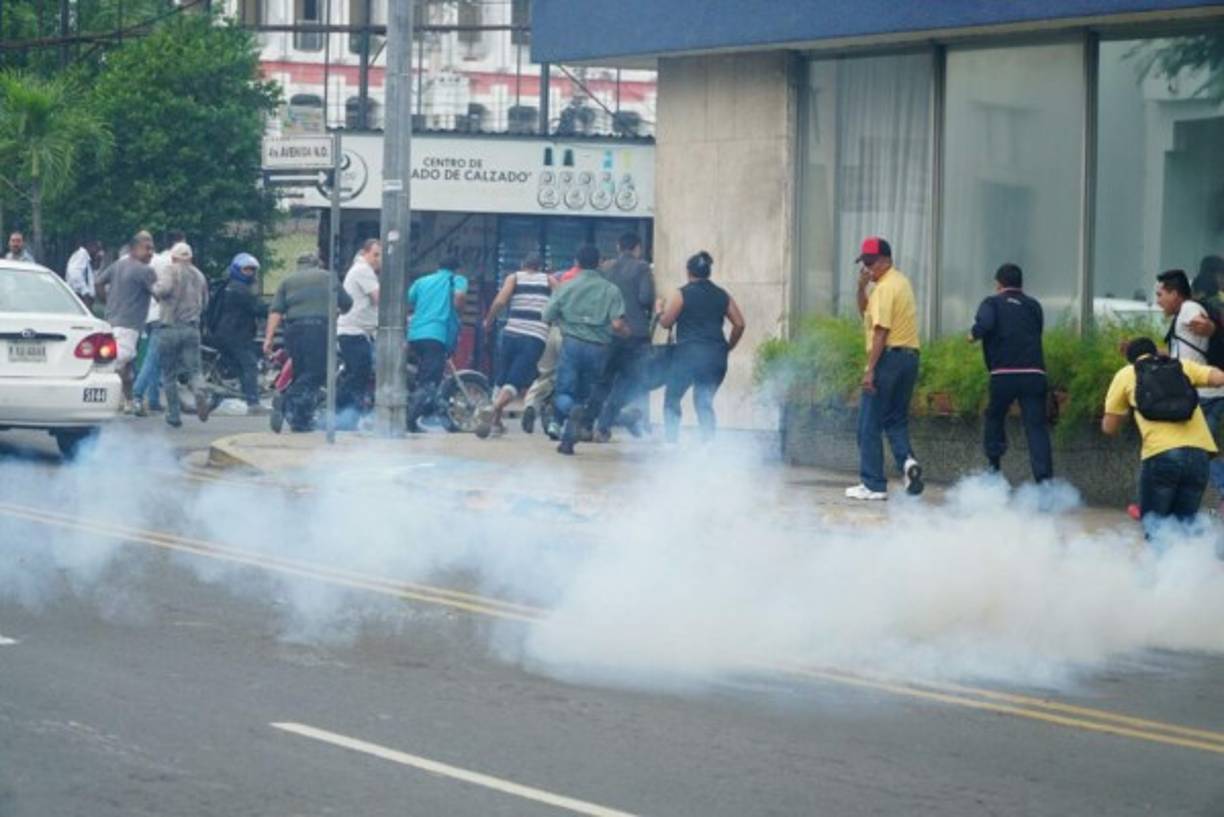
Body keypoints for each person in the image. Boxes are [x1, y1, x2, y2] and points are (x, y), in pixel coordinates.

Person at [1103, 337, 1224, 541]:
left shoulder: (1126, 374)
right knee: (1183, 534)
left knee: (1157, 532)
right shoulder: (1181, 366)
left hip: (1161, 454)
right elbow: (1219, 378)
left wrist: (1126, 413)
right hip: (1199, 455)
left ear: (1130, 358)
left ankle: (1158, 573)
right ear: (1156, 352)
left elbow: (1109, 427)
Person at [846, 236, 924, 501]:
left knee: (869, 423)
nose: (867, 268)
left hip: (888, 359)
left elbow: (880, 331)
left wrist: (870, 370)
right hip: (909, 358)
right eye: (864, 263)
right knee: (895, 420)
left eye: (871, 262)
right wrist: (860, 289)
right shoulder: (899, 283)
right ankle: (908, 464)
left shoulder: (884, 288)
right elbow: (867, 315)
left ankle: (873, 484)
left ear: (886, 260)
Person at [968, 263, 1053, 482]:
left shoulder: (992, 303)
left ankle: (994, 472)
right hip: (1034, 373)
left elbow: (985, 324)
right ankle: (1044, 483)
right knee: (1036, 427)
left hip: (1003, 374)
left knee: (995, 418)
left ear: (998, 284)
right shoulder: (1033, 305)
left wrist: (973, 334)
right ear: (1021, 283)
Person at [542, 244, 628, 455]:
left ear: (577, 262)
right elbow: (617, 325)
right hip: (599, 348)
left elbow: (546, 315)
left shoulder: (566, 286)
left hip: (571, 344)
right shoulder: (610, 289)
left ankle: (572, 413)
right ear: (599, 263)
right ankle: (568, 440)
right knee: (587, 395)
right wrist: (627, 333)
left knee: (564, 393)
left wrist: (565, 320)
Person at [657, 251, 745, 443]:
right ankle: (709, 446)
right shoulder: (722, 295)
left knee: (672, 398)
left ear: (689, 272)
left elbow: (666, 322)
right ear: (708, 272)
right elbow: (739, 324)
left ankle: (671, 442)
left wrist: (658, 310)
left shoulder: (682, 294)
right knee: (703, 402)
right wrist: (728, 347)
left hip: (688, 356)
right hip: (715, 357)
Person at [1156, 267, 1224, 513]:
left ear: (1175, 294)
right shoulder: (1181, 316)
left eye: (1161, 294)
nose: (1158, 301)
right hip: (1200, 396)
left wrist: (1209, 328)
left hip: (1207, 396)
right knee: (1195, 451)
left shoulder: (1188, 309)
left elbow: (1204, 324)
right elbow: (1182, 355)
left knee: (1200, 451)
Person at [263, 252, 352, 433]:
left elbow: (276, 312)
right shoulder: (328, 277)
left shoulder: (287, 281)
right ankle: (286, 397)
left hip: (293, 331)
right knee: (316, 373)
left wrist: (269, 339)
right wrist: (336, 312)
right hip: (318, 329)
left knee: (301, 372)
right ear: (317, 264)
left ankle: (300, 421)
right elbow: (347, 303)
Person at [476, 252, 554, 438]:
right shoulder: (549, 280)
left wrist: (488, 320)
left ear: (522, 264)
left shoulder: (514, 277)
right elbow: (562, 300)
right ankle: (493, 409)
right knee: (515, 380)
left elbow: (501, 301)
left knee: (501, 376)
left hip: (511, 334)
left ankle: (495, 422)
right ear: (540, 267)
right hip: (535, 337)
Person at [589, 232, 656, 442]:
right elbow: (646, 298)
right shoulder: (642, 267)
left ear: (618, 247)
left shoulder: (606, 269)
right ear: (637, 248)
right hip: (635, 333)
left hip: (610, 333)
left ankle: (590, 424)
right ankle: (639, 421)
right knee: (638, 380)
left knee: (604, 381)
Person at [95, 231, 157, 412]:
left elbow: (98, 282)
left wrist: (107, 303)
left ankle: (130, 402)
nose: (151, 252)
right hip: (129, 325)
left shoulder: (118, 265)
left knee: (127, 369)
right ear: (134, 248)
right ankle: (104, 399)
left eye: (152, 248)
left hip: (112, 321)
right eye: (147, 248)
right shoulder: (145, 270)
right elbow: (159, 293)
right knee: (117, 363)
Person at [405, 255, 467, 433]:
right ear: (456, 269)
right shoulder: (456, 280)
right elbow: (460, 298)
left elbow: (410, 299)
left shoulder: (422, 281)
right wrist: (458, 311)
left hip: (415, 335)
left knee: (422, 375)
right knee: (429, 382)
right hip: (436, 336)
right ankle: (410, 420)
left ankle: (423, 409)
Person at [153, 242, 211, 428]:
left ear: (173, 257)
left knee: (168, 374)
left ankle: (174, 414)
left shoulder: (171, 270)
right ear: (191, 258)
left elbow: (162, 289)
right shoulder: (199, 275)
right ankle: (199, 392)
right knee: (195, 370)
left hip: (170, 327)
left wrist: (154, 290)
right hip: (191, 329)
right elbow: (206, 302)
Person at [131, 230, 185, 415]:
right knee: (153, 358)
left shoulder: (151, 260)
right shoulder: (169, 264)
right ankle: (137, 394)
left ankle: (153, 399)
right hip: (161, 316)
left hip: (145, 314)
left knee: (156, 359)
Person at [213, 253, 268, 415]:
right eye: (246, 270)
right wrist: (277, 309)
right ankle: (253, 402)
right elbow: (257, 308)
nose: (250, 273)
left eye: (252, 270)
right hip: (234, 335)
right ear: (237, 270)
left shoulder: (230, 285)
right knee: (250, 365)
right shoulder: (240, 289)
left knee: (241, 367)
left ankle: (244, 398)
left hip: (226, 333)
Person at [336, 239, 381, 422]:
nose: (378, 260)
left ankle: (348, 413)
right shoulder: (363, 270)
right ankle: (342, 411)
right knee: (358, 374)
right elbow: (379, 298)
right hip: (354, 331)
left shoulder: (361, 269)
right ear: (365, 253)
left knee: (357, 373)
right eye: (375, 255)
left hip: (359, 332)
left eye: (380, 256)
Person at [65, 239, 102, 308]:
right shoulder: (82, 254)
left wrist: (97, 262)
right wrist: (85, 292)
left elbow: (92, 277)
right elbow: (75, 273)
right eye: (97, 248)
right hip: (81, 296)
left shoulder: (87, 259)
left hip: (84, 297)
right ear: (91, 246)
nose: (98, 252)